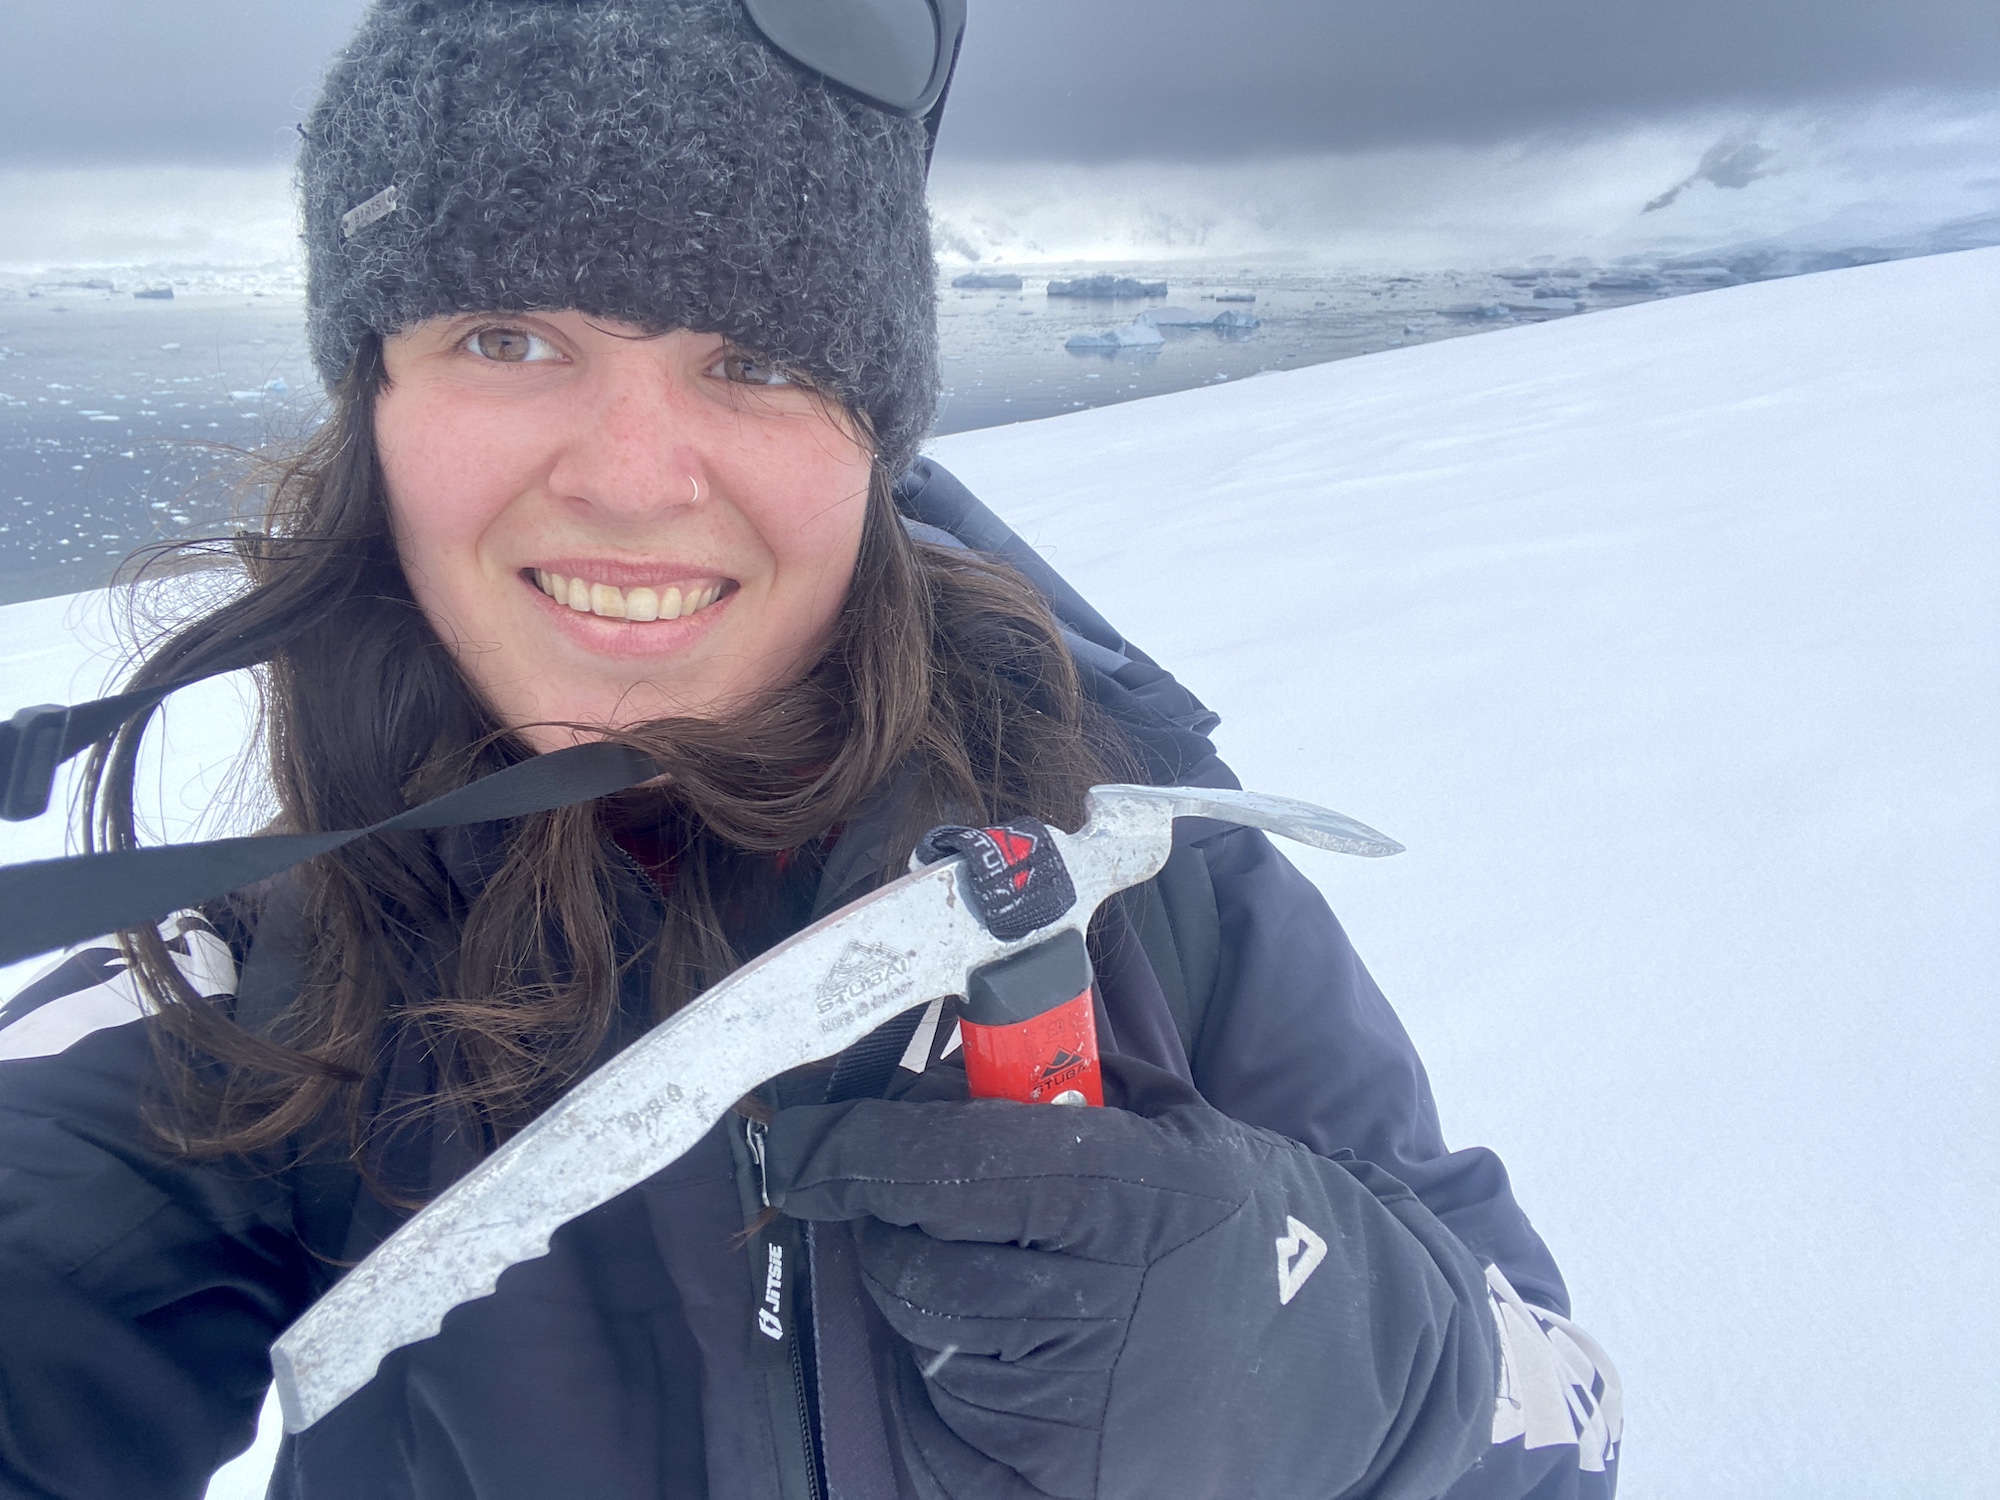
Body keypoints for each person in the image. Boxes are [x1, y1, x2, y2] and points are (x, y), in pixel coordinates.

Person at [0, 2, 1621, 1496]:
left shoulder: (1151, 882)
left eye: (757, 361)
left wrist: (1303, 1357)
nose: (634, 481)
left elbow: (1569, 1425)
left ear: (872, 443)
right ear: (371, 404)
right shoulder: (249, 981)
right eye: (505, 335)